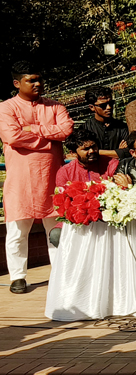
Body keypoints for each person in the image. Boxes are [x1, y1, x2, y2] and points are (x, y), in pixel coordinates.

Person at [0, 62, 73, 294]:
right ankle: (17, 277)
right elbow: (12, 137)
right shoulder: (6, 107)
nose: (38, 83)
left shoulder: (55, 106)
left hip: (53, 178)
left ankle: (60, 274)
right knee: (17, 231)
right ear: (17, 83)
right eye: (31, 80)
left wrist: (33, 129)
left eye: (39, 79)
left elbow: (66, 130)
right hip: (21, 180)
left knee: (57, 230)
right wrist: (49, 139)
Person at [82, 86, 130, 160]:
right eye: (103, 106)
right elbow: (83, 153)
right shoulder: (86, 128)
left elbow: (127, 152)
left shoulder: (122, 127)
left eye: (111, 103)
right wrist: (117, 152)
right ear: (92, 107)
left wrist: (97, 152)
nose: (109, 107)